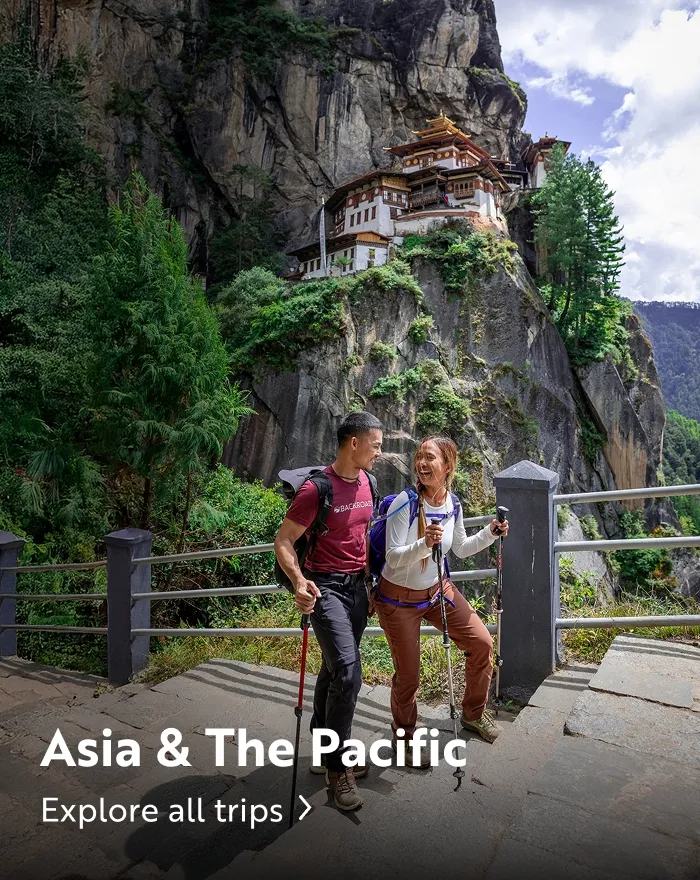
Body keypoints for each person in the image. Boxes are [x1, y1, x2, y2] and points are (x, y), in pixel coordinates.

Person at [375, 435, 509, 764]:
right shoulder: (404, 504)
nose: (421, 463)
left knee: (481, 643)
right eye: (419, 456)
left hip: (437, 589)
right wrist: (424, 543)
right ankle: (405, 737)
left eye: (430, 458)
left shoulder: (454, 504)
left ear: (447, 465)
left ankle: (473, 713)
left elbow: (460, 548)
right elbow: (392, 559)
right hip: (398, 599)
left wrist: (490, 533)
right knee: (409, 677)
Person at [274, 411, 383, 811]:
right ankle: (339, 770)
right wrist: (300, 583)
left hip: (356, 588)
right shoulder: (317, 489)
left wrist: (369, 585)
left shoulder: (369, 482)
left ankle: (323, 750)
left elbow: (362, 538)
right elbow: (284, 541)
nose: (379, 452)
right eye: (375, 444)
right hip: (325, 587)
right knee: (350, 674)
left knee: (334, 668)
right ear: (353, 443)